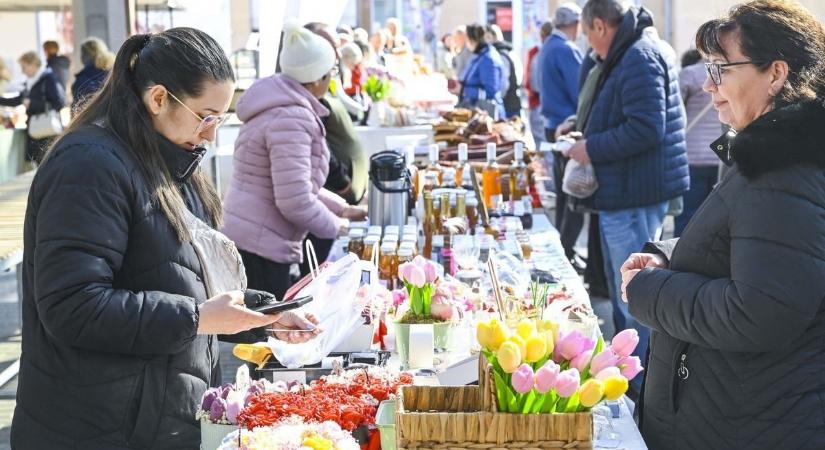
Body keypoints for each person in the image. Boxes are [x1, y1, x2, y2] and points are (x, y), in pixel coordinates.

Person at [11, 28, 320, 449]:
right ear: (158, 99)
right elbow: (72, 306)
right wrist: (198, 317)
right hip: (97, 427)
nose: (211, 134)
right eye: (205, 116)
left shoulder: (166, 156)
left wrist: (261, 315)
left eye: (220, 118)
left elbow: (175, 279)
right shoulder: (89, 166)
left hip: (153, 418)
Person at [622, 2, 825, 448]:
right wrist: (668, 254)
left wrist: (649, 289)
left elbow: (761, 311)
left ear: (776, 73)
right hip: (733, 411)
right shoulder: (766, 152)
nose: (711, 89)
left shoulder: (782, 169)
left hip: (747, 422)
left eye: (722, 71)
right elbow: (749, 246)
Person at [564, 0, 689, 394]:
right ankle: (635, 383)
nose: (588, 44)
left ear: (600, 26)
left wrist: (591, 148)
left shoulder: (638, 55)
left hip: (633, 193)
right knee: (631, 296)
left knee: (635, 298)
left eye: (588, 34)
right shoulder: (633, 50)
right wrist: (583, 128)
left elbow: (646, 128)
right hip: (629, 189)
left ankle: (641, 389)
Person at [222, 20, 367, 300]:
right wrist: (338, 226)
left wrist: (342, 209)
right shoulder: (291, 118)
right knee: (263, 334)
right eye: (331, 72)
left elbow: (295, 185)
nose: (332, 78)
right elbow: (295, 200)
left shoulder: (283, 107)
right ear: (316, 79)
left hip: (255, 237)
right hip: (260, 245)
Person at [539, 2, 585, 265]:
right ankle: (566, 249)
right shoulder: (565, 49)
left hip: (552, 124)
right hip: (566, 127)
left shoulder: (548, 46)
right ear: (576, 24)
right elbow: (581, 91)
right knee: (573, 193)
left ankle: (564, 247)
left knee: (562, 189)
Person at [674, 49, 722, 236]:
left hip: (692, 158)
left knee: (687, 217)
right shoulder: (725, 73)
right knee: (714, 219)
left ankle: (680, 260)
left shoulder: (690, 74)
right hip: (720, 156)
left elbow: (676, 111)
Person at [0, 51, 65, 164]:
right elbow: (16, 100)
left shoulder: (48, 78)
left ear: (33, 64)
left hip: (47, 132)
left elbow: (59, 103)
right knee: (38, 163)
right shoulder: (29, 83)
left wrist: (33, 103)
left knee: (49, 163)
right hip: (35, 131)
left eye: (24, 67)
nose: (22, 71)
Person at [458, 24, 505, 119]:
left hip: (487, 115)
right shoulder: (479, 55)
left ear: (472, 39)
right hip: (478, 112)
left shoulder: (488, 59)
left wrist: (463, 90)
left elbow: (491, 92)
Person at [525, 21, 553, 147]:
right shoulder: (540, 52)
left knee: (543, 145)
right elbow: (534, 82)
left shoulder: (538, 52)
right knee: (545, 146)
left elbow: (530, 81)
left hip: (539, 105)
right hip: (541, 104)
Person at [71, 37, 114, 113]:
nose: (81, 57)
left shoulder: (83, 78)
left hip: (91, 120)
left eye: (82, 53)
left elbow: (80, 109)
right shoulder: (112, 71)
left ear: (88, 55)